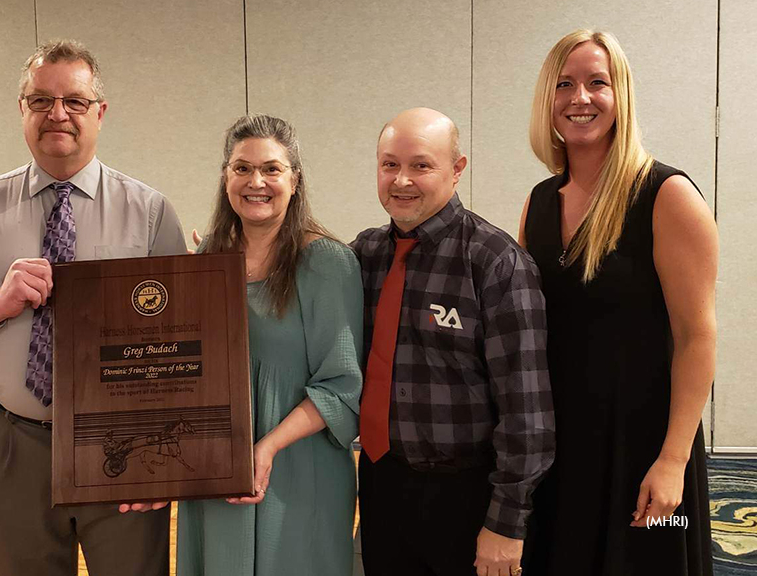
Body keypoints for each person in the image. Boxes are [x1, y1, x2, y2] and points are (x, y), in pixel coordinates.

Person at [0, 40, 185, 576]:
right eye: (40, 100)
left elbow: (184, 341)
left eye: (74, 102)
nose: (58, 114)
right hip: (15, 441)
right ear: (22, 111)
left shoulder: (149, 212)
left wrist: (164, 459)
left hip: (121, 444)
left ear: (99, 113)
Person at [519, 30, 716, 576]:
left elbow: (696, 336)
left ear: (620, 94)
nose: (579, 98)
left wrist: (673, 460)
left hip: (646, 449)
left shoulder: (667, 194)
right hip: (561, 447)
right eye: (565, 84)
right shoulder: (537, 203)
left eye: (596, 83)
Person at [351, 108, 555, 576]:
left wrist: (506, 523)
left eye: (421, 165)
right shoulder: (364, 255)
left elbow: (528, 410)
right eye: (389, 165)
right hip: (383, 481)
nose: (401, 180)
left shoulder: (496, 262)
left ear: (457, 169)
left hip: (469, 493)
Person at [176, 114, 364, 576]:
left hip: (297, 469)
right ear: (225, 178)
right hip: (218, 465)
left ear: (294, 180)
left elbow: (341, 387)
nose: (255, 181)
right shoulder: (206, 261)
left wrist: (266, 448)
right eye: (241, 168)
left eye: (272, 169)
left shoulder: (326, 262)